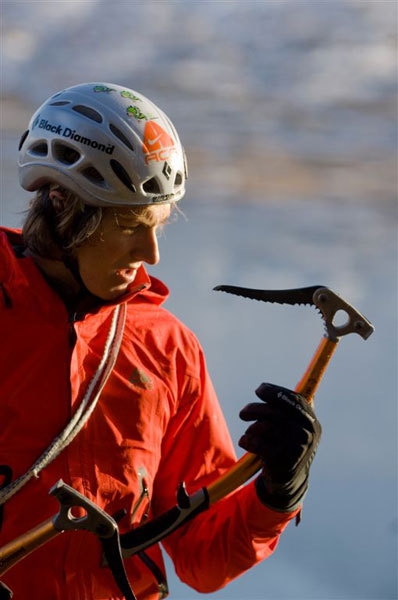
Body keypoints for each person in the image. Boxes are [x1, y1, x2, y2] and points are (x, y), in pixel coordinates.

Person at [0, 82, 321, 600]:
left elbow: (204, 558)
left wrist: (278, 492)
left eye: (158, 226)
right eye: (129, 223)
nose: (149, 252)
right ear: (61, 201)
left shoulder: (169, 349)